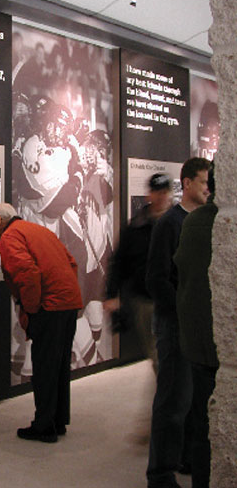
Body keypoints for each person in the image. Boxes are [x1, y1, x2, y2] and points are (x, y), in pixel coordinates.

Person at [0, 203, 83, 443]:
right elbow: (71, 262)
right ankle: (57, 420)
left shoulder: (10, 237)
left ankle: (44, 426)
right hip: (68, 304)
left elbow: (27, 273)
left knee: (44, 368)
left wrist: (30, 309)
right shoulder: (38, 230)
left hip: (48, 307)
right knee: (59, 366)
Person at [145, 157, 210, 488]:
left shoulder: (202, 221)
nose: (207, 187)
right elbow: (156, 278)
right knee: (173, 399)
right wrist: (182, 308)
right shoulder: (170, 223)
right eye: (203, 181)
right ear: (186, 183)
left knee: (192, 399)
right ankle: (160, 473)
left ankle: (183, 457)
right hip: (175, 324)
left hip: (196, 324)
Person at [174, 162, 218, 488]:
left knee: (203, 418)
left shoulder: (196, 222)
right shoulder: (201, 222)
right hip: (205, 340)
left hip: (200, 340)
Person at [105, 173, 172, 366]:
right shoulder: (134, 228)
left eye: (164, 192)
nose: (160, 196)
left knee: (170, 353)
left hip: (173, 298)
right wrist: (112, 294)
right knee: (156, 354)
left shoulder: (178, 223)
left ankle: (168, 392)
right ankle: (166, 392)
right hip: (144, 299)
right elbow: (119, 262)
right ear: (150, 194)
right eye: (156, 192)